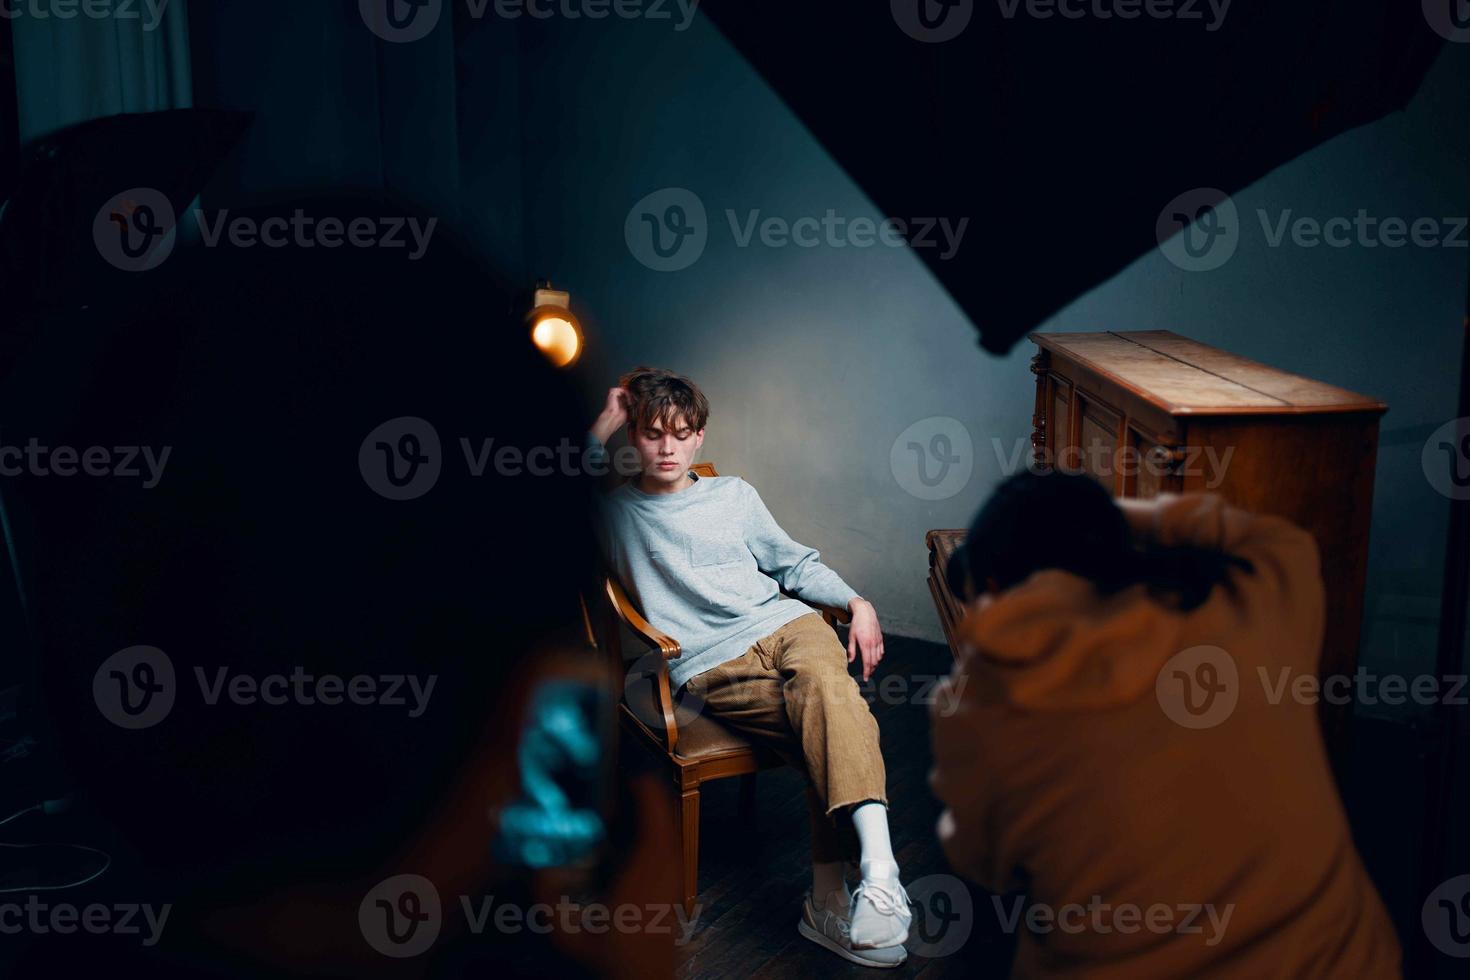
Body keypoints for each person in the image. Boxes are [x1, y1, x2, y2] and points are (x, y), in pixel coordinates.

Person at [929, 469, 1400, 978]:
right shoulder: (1252, 595)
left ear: (994, 586)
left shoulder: (977, 704)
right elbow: (1257, 530)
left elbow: (982, 861)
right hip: (1341, 962)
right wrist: (1088, 521)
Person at [587, 367, 912, 968]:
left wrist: (856, 601)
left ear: (699, 437)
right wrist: (603, 421)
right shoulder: (615, 513)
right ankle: (834, 897)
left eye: (681, 434)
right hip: (712, 662)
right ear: (633, 436)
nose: (667, 447)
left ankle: (879, 879)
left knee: (824, 693)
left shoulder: (733, 494)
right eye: (652, 433)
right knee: (829, 722)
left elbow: (793, 564)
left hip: (788, 626)